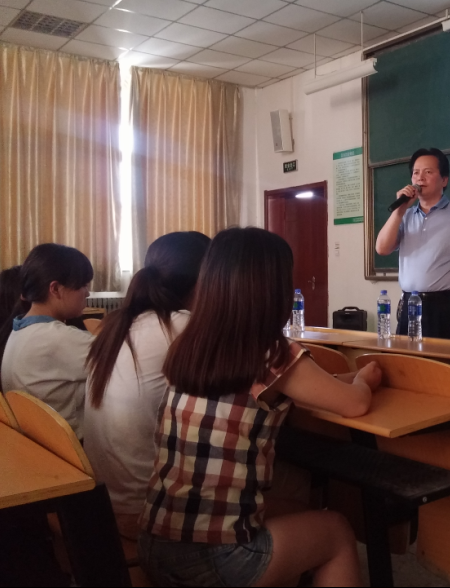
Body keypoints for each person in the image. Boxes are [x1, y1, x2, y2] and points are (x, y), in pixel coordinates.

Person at [138, 227, 381, 588]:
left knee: (299, 513)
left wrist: (344, 379)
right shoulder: (270, 353)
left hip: (155, 541)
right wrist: (364, 379)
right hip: (214, 558)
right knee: (336, 531)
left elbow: (306, 386)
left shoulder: (191, 345)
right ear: (274, 289)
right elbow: (356, 404)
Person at [84, 231, 211, 540]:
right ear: (205, 279)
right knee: (291, 483)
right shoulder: (184, 327)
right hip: (146, 511)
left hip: (104, 502)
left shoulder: (117, 324)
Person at [375, 147, 450, 340]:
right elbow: (382, 249)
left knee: (446, 360)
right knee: (406, 359)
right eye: (416, 173)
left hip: (446, 308)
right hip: (410, 304)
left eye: (428, 172)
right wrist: (399, 210)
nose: (420, 178)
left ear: (444, 180)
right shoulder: (405, 215)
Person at [0, 244, 93, 438]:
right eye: (83, 285)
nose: (87, 293)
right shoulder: (56, 338)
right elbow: (124, 358)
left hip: (39, 441)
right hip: (70, 443)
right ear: (56, 289)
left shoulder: (19, 330)